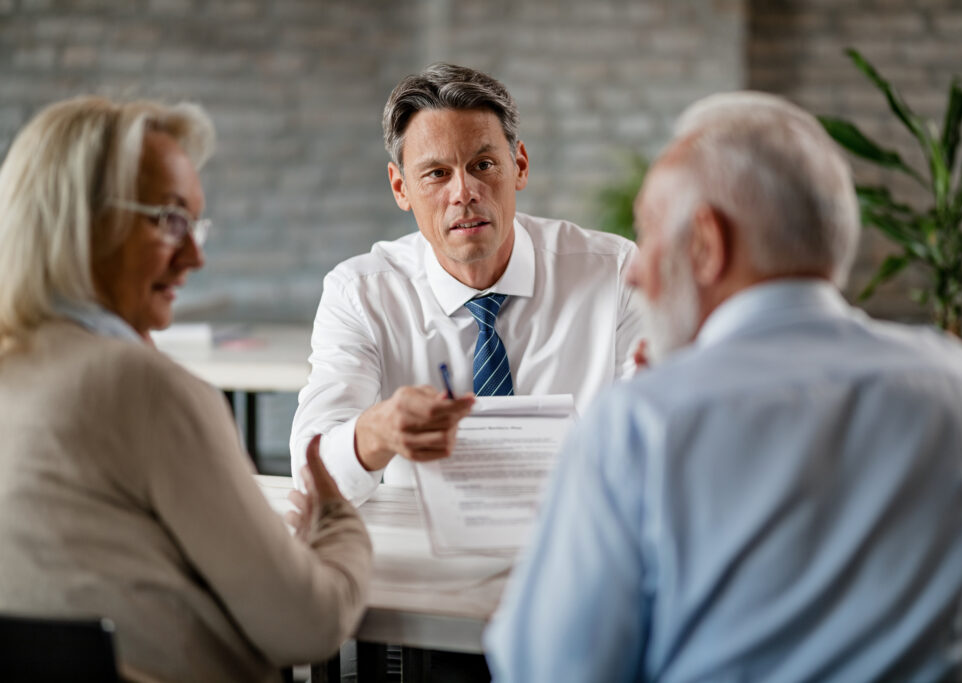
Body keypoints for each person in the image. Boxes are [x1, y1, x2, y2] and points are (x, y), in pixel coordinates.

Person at [485, 92, 962, 682]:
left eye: (649, 230)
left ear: (707, 243)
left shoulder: (642, 422)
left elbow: (548, 670)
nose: (634, 270)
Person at [0, 96, 372, 683]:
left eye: (195, 223)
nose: (196, 256)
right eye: (170, 219)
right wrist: (336, 520)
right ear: (83, 219)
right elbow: (309, 625)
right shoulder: (144, 388)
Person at [290, 63, 642, 505]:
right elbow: (311, 477)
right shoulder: (361, 294)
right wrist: (374, 433)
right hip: (423, 553)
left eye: (484, 164)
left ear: (519, 166)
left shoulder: (614, 272)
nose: (464, 191)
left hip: (580, 535)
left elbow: (656, 445)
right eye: (436, 173)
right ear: (401, 188)